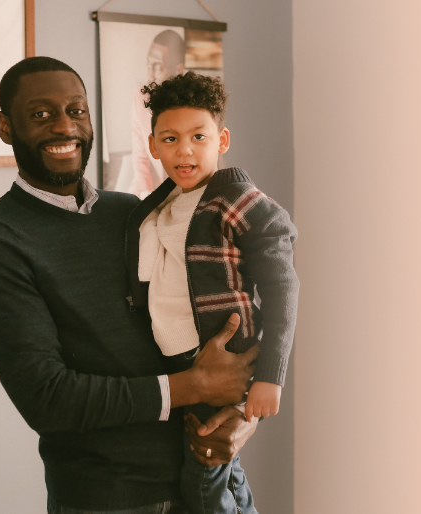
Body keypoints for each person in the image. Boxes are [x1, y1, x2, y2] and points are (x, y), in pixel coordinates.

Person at [0, 56, 260, 514]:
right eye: (41, 115)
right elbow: (49, 399)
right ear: (4, 126)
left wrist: (239, 414)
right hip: (112, 499)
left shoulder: (134, 213)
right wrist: (194, 386)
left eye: (76, 111)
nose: (65, 127)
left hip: (213, 480)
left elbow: (214, 313)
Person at [131, 71, 298, 514]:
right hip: (182, 367)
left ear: (221, 140)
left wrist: (270, 375)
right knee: (222, 466)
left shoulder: (237, 201)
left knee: (204, 474)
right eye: (169, 139)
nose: (184, 150)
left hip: (222, 361)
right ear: (153, 147)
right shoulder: (159, 206)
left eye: (198, 137)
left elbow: (282, 288)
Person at [129, 30, 187, 197]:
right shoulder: (140, 96)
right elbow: (140, 154)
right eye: (149, 66)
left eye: (157, 68)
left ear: (178, 70)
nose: (150, 76)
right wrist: (146, 196)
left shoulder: (193, 103)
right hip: (149, 187)